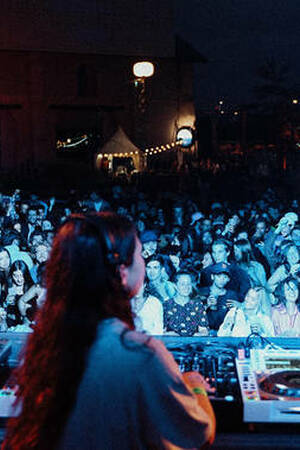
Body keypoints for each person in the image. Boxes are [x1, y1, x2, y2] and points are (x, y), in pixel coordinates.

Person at [3, 212, 215, 450]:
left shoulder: (46, 342)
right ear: (122, 272)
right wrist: (195, 384)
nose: (143, 261)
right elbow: (198, 433)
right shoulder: (140, 354)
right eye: (139, 254)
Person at [163, 272, 209, 336]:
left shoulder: (197, 305)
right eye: (182, 284)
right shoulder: (166, 305)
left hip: (193, 344)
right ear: (175, 286)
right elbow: (161, 331)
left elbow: (204, 330)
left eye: (189, 284)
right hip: (172, 344)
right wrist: (170, 334)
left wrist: (196, 336)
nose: (186, 287)